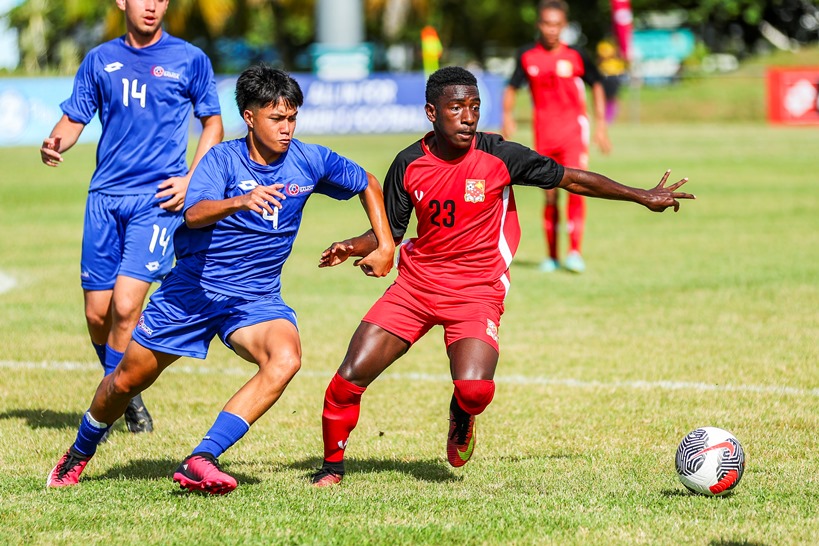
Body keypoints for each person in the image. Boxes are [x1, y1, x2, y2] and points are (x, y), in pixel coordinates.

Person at [310, 66, 692, 487]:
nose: (468, 117)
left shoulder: (500, 155)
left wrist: (641, 195)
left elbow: (572, 178)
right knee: (348, 378)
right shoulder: (408, 164)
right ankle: (332, 469)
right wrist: (354, 245)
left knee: (475, 391)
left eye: (474, 107)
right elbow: (391, 233)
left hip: (476, 290)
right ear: (431, 113)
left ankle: (461, 414)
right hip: (415, 288)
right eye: (456, 108)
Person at [45, 64, 396, 494]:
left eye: (292, 118)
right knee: (124, 382)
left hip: (254, 299)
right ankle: (79, 453)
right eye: (276, 118)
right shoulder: (221, 160)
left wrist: (384, 243)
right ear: (249, 117)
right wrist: (241, 200)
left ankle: (202, 457)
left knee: (285, 359)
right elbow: (193, 214)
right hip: (191, 293)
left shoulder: (309, 160)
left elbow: (367, 181)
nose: (286, 129)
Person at [39, 0, 224, 433]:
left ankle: (103, 409)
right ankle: (127, 390)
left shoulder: (190, 59)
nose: (152, 6)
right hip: (104, 198)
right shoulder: (99, 60)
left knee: (126, 307)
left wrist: (191, 180)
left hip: (157, 201)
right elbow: (73, 119)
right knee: (97, 314)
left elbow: (212, 125)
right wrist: (55, 143)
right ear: (122, 2)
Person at [502, 0, 611, 274]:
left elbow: (597, 83)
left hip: (573, 133)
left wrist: (601, 126)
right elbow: (512, 87)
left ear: (564, 26)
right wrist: (507, 116)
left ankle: (574, 252)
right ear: (539, 24)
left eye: (557, 24)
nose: (552, 29)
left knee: (577, 188)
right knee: (549, 194)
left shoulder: (576, 55)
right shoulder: (527, 56)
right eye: (547, 23)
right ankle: (551, 256)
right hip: (545, 136)